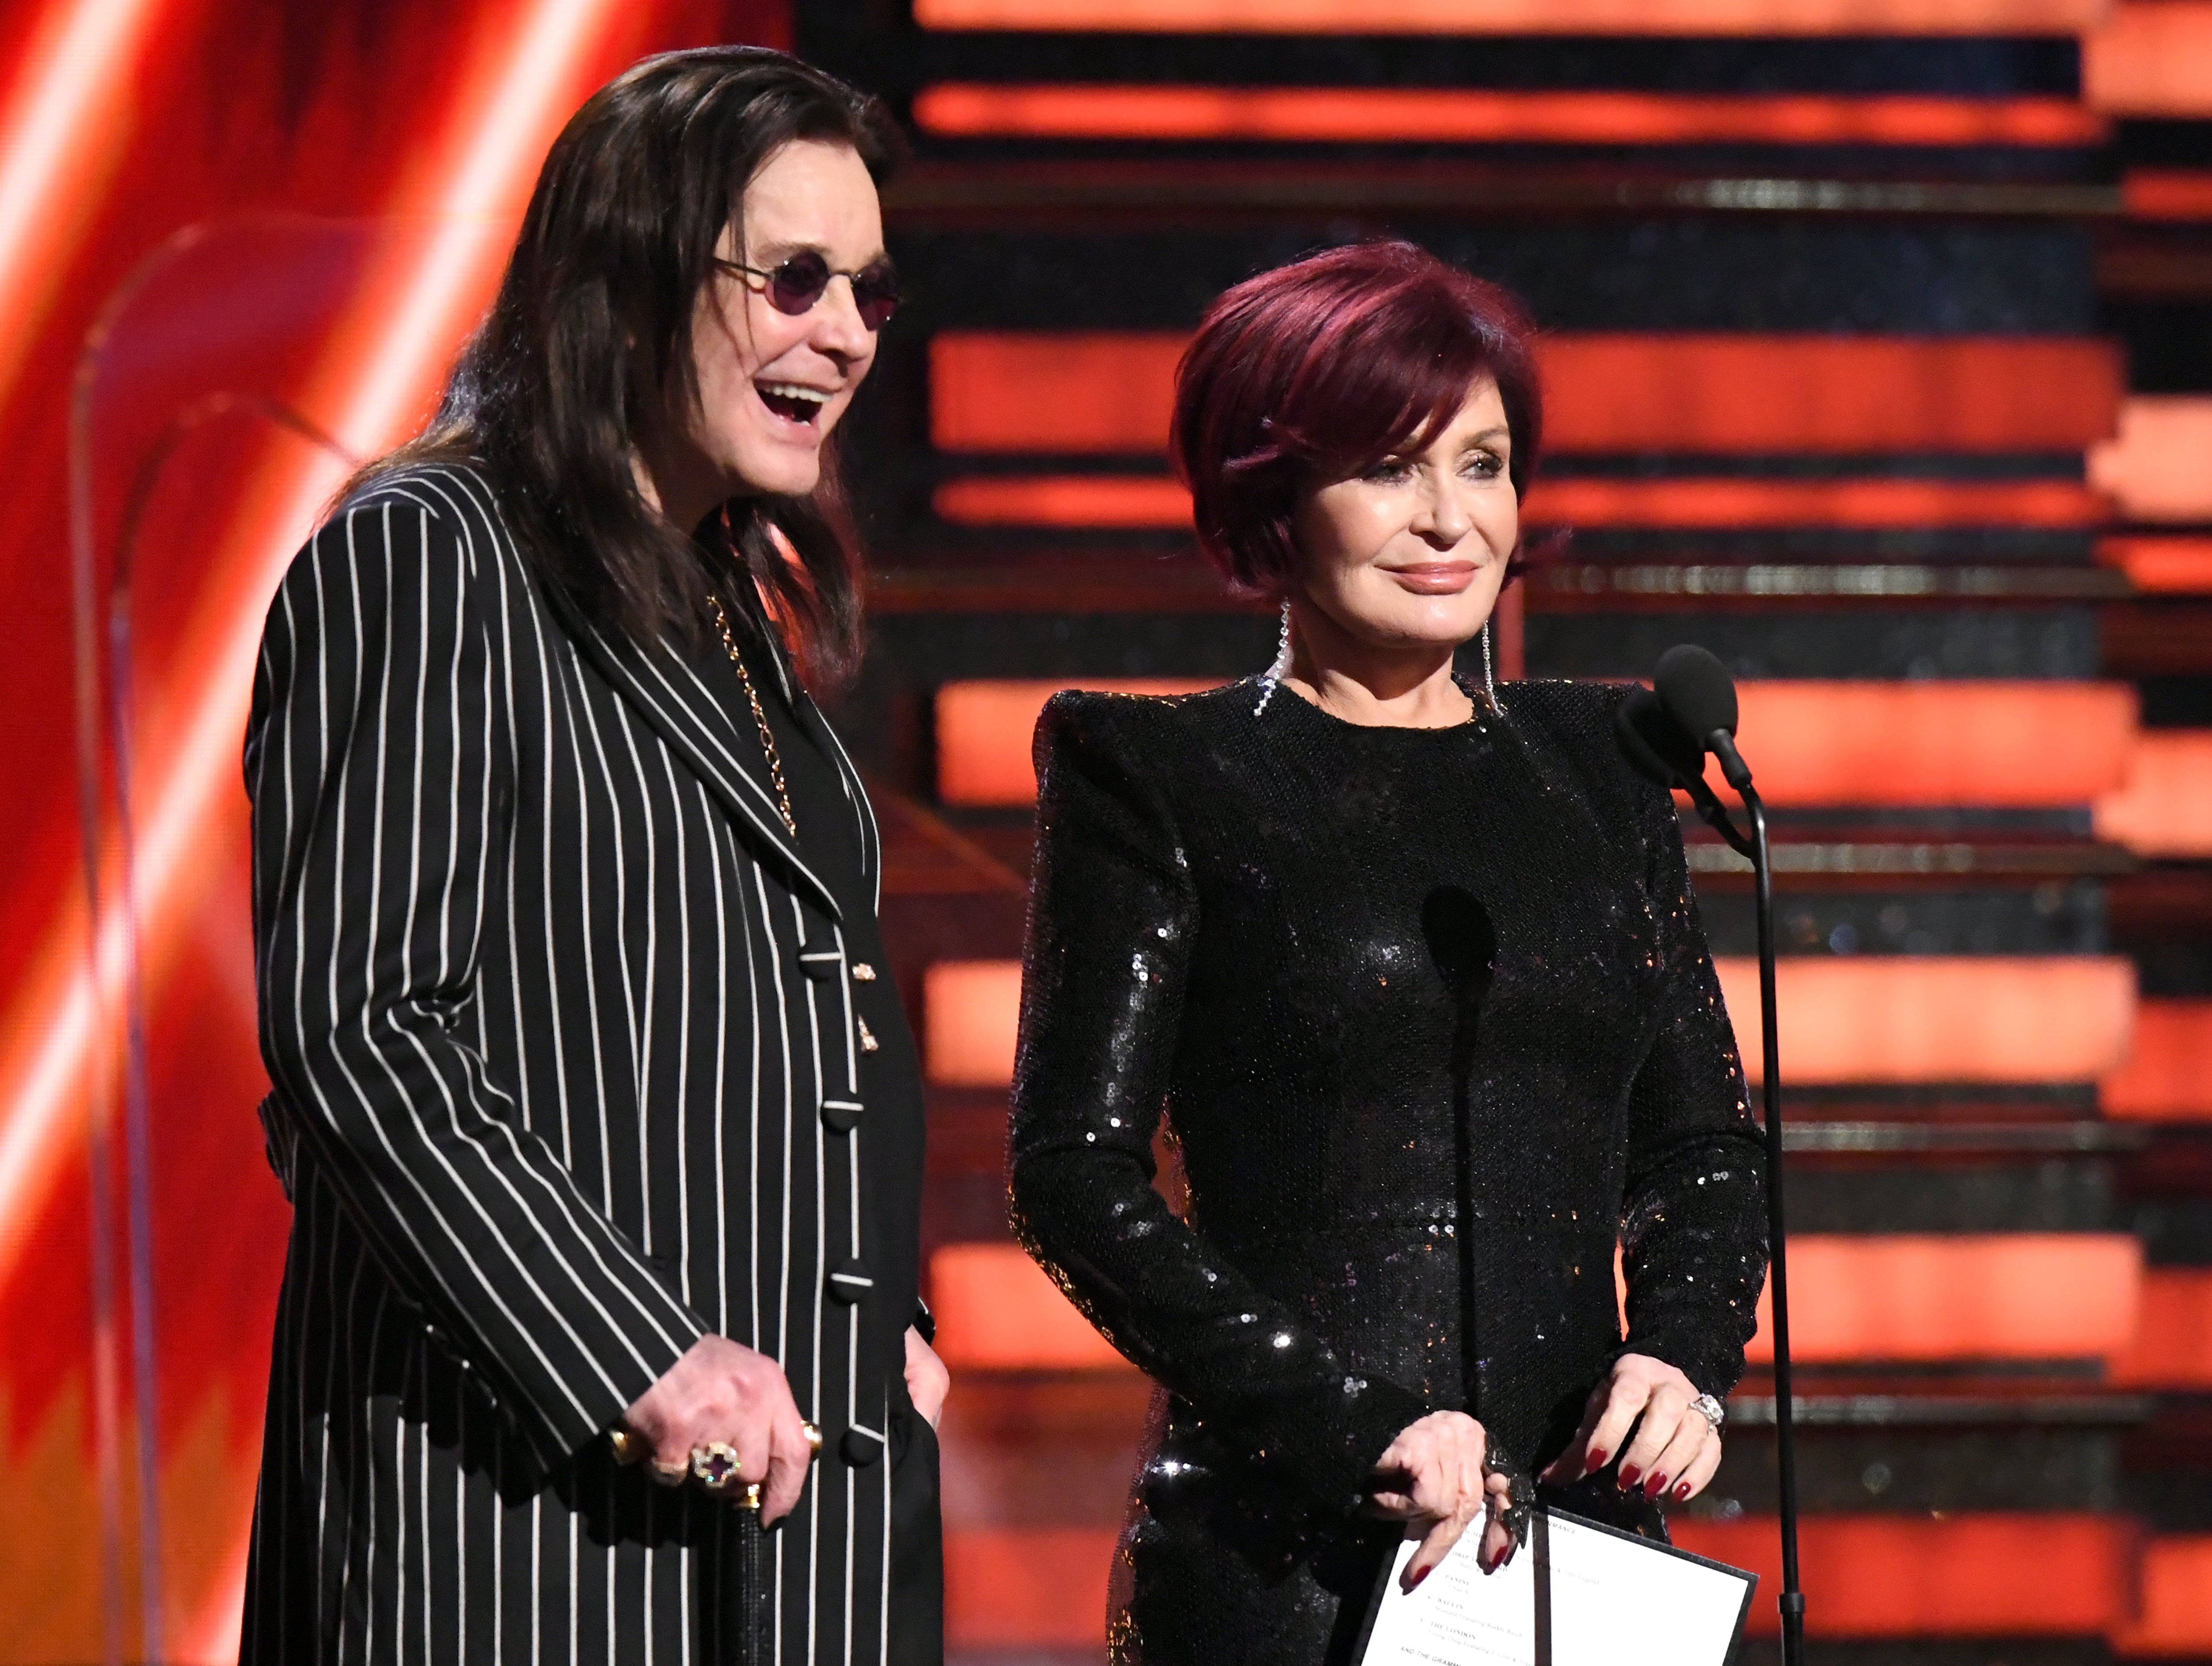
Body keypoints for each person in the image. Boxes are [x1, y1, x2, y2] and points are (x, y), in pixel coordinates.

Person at [240, 47, 946, 1665]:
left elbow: (787, 1041)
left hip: (794, 1540)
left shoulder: (728, 611)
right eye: (792, 279)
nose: (842, 336)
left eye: (869, 293)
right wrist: (638, 1357)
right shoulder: (430, 556)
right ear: (626, 276)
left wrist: (891, 1313)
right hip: (523, 1535)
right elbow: (363, 1032)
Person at [1007, 241, 1770, 1665]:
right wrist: (1346, 1420)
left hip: (1580, 1560)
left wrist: (1684, 1362)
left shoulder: (1602, 770)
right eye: (1388, 468)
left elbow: (1705, 1150)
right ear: (1270, 497)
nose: (1447, 522)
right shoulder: (1154, 772)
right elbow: (1073, 1178)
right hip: (1287, 1561)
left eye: (1481, 466)